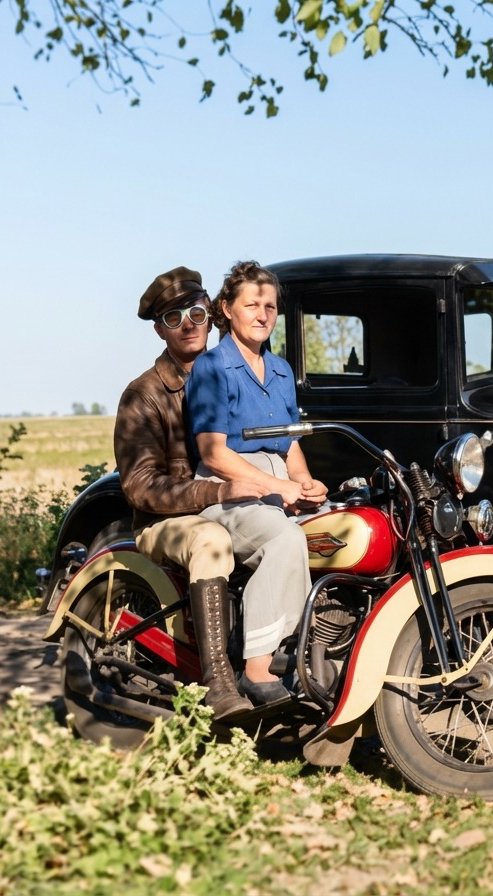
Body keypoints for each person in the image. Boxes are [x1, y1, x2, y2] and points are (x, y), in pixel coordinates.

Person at [115, 266, 265, 719]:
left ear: (212, 315)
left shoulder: (235, 374)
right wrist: (215, 492)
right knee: (211, 541)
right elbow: (139, 484)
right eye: (174, 318)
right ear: (160, 330)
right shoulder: (143, 395)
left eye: (196, 312)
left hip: (231, 503)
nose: (189, 325)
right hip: (167, 523)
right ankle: (219, 681)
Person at [186, 260, 327, 705]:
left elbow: (290, 446)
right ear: (227, 309)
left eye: (270, 306)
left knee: (342, 532)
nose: (263, 314)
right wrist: (275, 488)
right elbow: (213, 453)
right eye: (252, 304)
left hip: (278, 482)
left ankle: (319, 649)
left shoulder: (281, 371)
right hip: (229, 487)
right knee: (284, 538)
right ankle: (257, 668)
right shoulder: (211, 368)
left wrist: (304, 484)